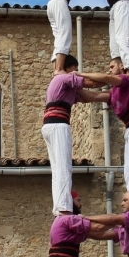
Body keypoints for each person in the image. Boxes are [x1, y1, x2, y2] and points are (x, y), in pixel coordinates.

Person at [77, 61, 129, 210]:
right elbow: (92, 96)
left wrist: (79, 74)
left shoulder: (126, 80)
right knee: (128, 169)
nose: (109, 69)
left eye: (112, 66)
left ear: (121, 66)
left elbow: (105, 77)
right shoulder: (114, 92)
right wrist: (73, 86)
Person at [43, 55, 97, 215]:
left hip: (50, 126)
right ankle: (65, 207)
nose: (76, 72)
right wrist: (116, 80)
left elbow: (90, 96)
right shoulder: (63, 79)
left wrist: (114, 91)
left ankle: (59, 206)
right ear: (69, 67)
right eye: (74, 69)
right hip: (58, 125)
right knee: (64, 168)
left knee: (58, 169)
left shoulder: (63, 85)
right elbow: (92, 84)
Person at [46, 192, 117, 257]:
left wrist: (119, 231)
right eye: (78, 200)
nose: (81, 204)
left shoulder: (59, 222)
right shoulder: (69, 219)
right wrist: (119, 219)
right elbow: (98, 227)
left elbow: (97, 234)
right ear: (70, 201)